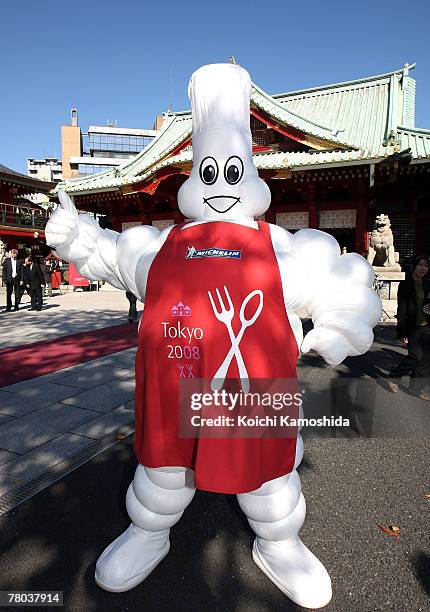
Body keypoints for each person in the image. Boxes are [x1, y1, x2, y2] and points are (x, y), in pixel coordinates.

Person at [45, 63, 381, 609]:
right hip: (175, 391)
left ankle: (279, 543)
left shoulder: (279, 246)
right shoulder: (160, 247)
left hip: (252, 395)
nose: (220, 185)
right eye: (209, 173)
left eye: (232, 172)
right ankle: (149, 533)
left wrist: (337, 328)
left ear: (247, 174)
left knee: (267, 480)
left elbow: (340, 284)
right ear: (193, 176)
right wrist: (76, 235)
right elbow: (107, 251)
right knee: (164, 473)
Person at [388, 254, 430, 400]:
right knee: (416, 356)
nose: (423, 268)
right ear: (414, 266)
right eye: (420, 265)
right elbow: (402, 310)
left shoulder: (427, 283)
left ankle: (416, 389)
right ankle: (394, 376)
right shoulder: (405, 284)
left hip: (427, 325)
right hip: (413, 327)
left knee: (426, 359)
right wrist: (402, 332)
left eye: (426, 265)